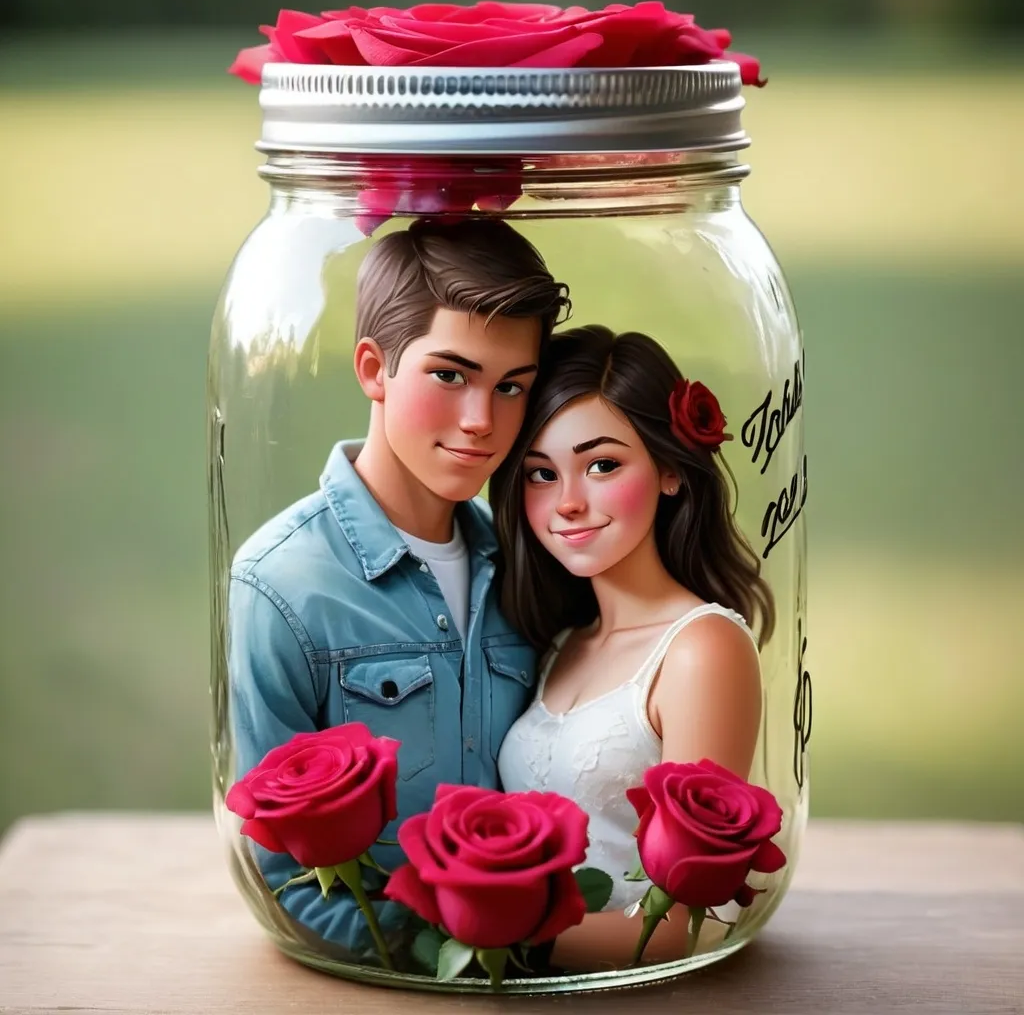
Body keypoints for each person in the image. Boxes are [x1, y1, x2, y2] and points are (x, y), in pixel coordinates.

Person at [227, 218, 570, 958]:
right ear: (374, 368)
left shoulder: (528, 563)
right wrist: (448, 959)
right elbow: (284, 871)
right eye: (450, 375)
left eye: (511, 386)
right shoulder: (283, 585)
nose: (481, 422)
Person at [492, 325, 776, 971]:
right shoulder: (559, 643)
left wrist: (506, 943)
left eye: (602, 465)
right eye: (541, 473)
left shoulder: (701, 650)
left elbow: (698, 917)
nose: (567, 503)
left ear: (671, 469)